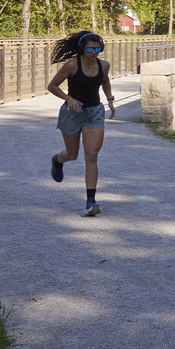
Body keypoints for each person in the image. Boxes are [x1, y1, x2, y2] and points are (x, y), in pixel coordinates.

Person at [47, 30, 116, 217]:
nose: (94, 52)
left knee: (92, 155)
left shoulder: (104, 65)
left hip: (94, 112)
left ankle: (91, 201)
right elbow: (52, 86)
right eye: (90, 48)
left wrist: (109, 98)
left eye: (97, 48)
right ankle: (57, 160)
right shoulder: (71, 65)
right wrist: (69, 98)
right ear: (82, 49)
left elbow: (105, 80)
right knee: (72, 154)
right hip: (72, 113)